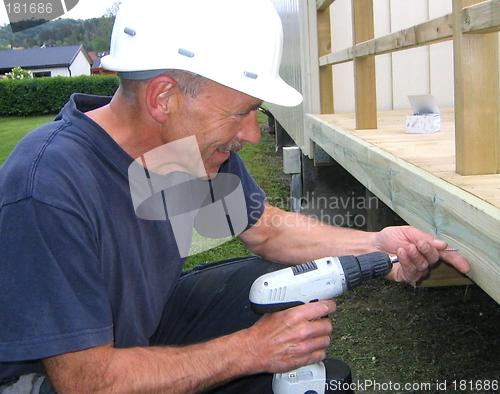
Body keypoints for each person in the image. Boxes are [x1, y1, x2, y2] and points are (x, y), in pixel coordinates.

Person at [0, 0, 470, 393]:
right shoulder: (49, 186)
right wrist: (251, 350)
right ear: (164, 98)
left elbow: (266, 231)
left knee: (277, 298)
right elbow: (86, 381)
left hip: (132, 335)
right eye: (243, 112)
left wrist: (377, 245)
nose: (253, 133)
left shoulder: (177, 156)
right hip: (58, 378)